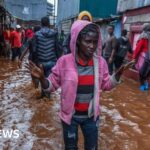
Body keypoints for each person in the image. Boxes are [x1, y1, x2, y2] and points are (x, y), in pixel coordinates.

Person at [27, 20, 132, 149]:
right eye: (87, 41)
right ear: (77, 40)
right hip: (70, 117)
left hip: (91, 117)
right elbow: (52, 86)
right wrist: (43, 78)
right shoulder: (64, 62)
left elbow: (106, 85)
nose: (92, 46)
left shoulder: (100, 63)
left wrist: (117, 75)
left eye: (94, 42)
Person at [31, 16, 60, 98]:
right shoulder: (54, 33)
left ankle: (43, 96)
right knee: (49, 80)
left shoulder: (36, 34)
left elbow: (34, 50)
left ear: (41, 23)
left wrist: (35, 63)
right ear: (49, 23)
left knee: (42, 78)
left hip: (41, 63)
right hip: (52, 62)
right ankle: (48, 97)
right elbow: (57, 48)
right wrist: (58, 61)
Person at [133, 23, 150, 91]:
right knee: (147, 74)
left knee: (141, 74)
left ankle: (142, 89)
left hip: (144, 57)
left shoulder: (143, 36)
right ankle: (146, 88)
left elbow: (138, 48)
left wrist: (134, 57)